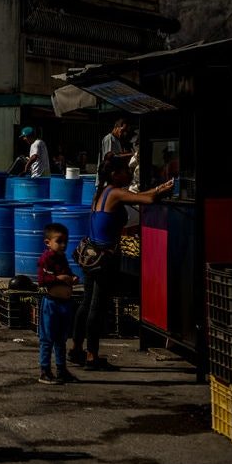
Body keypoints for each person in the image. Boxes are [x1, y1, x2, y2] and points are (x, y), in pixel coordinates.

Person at [69, 156, 173, 371]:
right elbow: (147, 200)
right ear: (115, 174)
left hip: (90, 254)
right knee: (96, 306)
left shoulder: (102, 192)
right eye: (125, 170)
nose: (129, 173)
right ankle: (91, 357)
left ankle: (77, 348)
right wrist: (165, 188)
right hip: (104, 259)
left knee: (86, 304)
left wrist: (157, 189)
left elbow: (141, 196)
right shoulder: (115, 193)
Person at [36, 222, 79, 385]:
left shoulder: (62, 258)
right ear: (48, 242)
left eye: (65, 242)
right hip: (51, 304)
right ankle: (45, 370)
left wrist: (72, 277)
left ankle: (62, 369)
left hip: (64, 304)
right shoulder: (46, 259)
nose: (63, 245)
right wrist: (59, 279)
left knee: (61, 339)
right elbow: (41, 280)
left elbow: (67, 273)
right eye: (59, 241)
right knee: (47, 339)